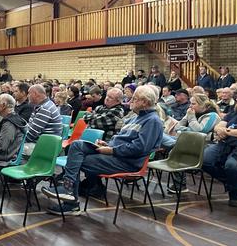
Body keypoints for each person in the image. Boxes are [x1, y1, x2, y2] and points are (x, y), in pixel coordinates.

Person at [42, 86, 163, 216]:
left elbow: (139, 148)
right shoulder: (135, 117)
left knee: (77, 160)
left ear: (144, 102)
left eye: (134, 99)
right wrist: (107, 144)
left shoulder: (152, 121)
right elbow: (120, 139)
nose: (129, 101)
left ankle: (70, 198)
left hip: (127, 162)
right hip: (115, 153)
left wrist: (111, 150)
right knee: (76, 146)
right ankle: (69, 191)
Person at [162, 93, 219, 193]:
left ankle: (180, 185)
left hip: (205, 146)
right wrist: (188, 121)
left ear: (203, 105)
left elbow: (200, 131)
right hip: (189, 142)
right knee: (164, 138)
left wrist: (191, 119)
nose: (190, 106)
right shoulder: (192, 113)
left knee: (174, 151)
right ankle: (180, 184)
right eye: (190, 103)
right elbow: (177, 127)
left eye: (193, 104)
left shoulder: (212, 115)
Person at [202, 91, 237, 207]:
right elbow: (219, 125)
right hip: (224, 144)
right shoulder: (234, 112)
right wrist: (219, 130)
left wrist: (228, 131)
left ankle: (234, 194)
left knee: (232, 165)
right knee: (204, 160)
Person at [23, 85, 61, 157]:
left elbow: (31, 135)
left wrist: (17, 140)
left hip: (44, 147)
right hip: (40, 143)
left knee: (10, 147)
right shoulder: (43, 105)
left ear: (35, 94)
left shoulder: (45, 108)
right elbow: (29, 127)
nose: (27, 96)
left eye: (29, 93)